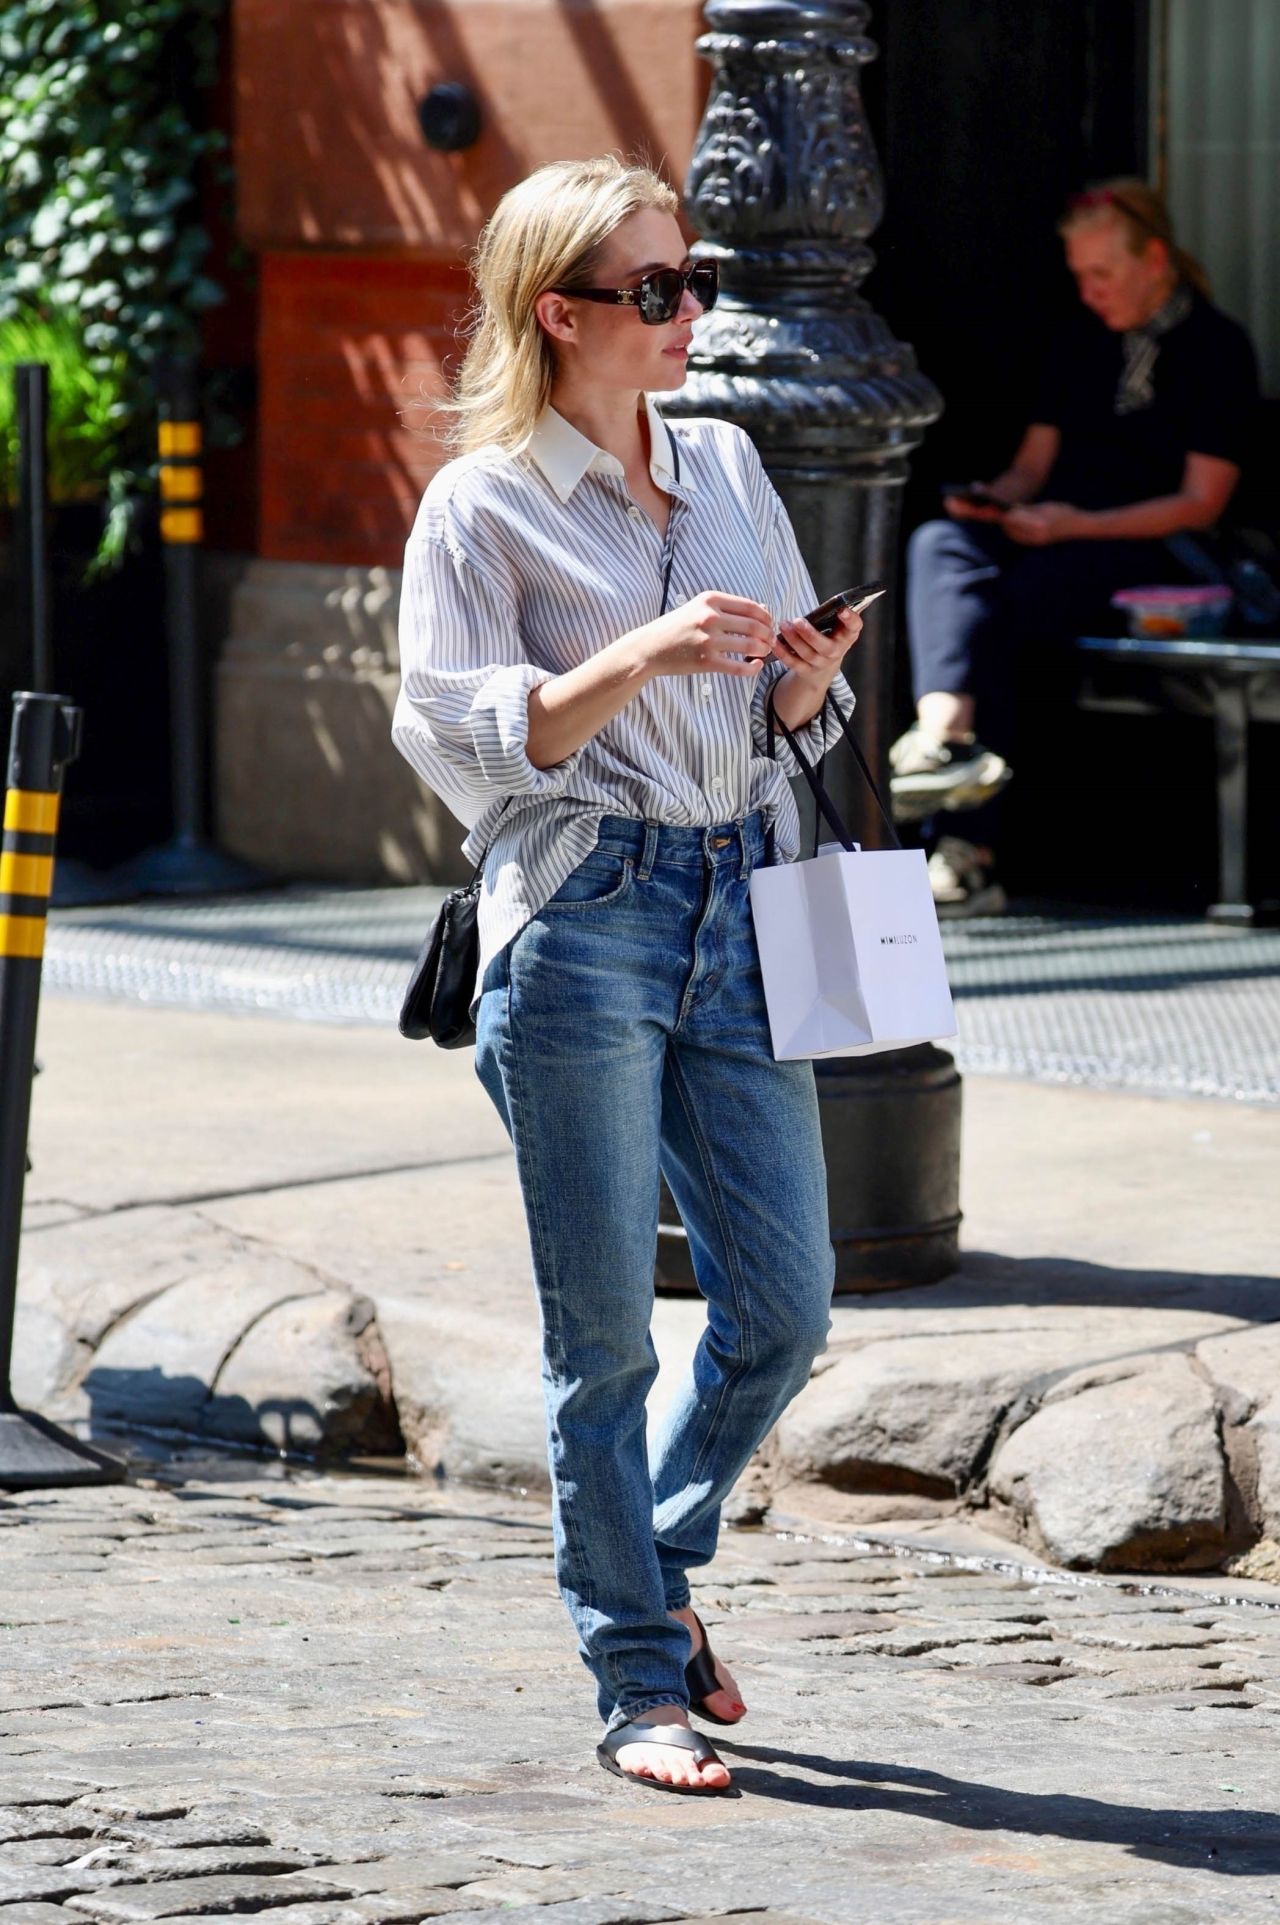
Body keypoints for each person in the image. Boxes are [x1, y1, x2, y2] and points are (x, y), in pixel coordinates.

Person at [391, 157, 863, 1796]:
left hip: (744, 899)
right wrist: (637, 658)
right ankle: (635, 1681)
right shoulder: (484, 503)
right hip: (584, 913)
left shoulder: (730, 457)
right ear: (562, 313)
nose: (687, 314)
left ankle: (652, 1563)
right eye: (654, 290)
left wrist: (807, 688)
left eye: (693, 279)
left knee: (787, 1303)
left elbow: (802, 722)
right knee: (602, 1338)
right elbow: (453, 732)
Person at [891, 178, 1260, 915]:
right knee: (942, 544)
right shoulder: (1077, 339)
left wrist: (1071, 525)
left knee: (1004, 604)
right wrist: (996, 501)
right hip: (1054, 531)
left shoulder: (1216, 346)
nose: (1090, 292)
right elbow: (1032, 467)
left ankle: (965, 846)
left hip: (1154, 553)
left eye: (1103, 274)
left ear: (1154, 259)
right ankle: (941, 732)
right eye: (1080, 277)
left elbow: (1200, 503)